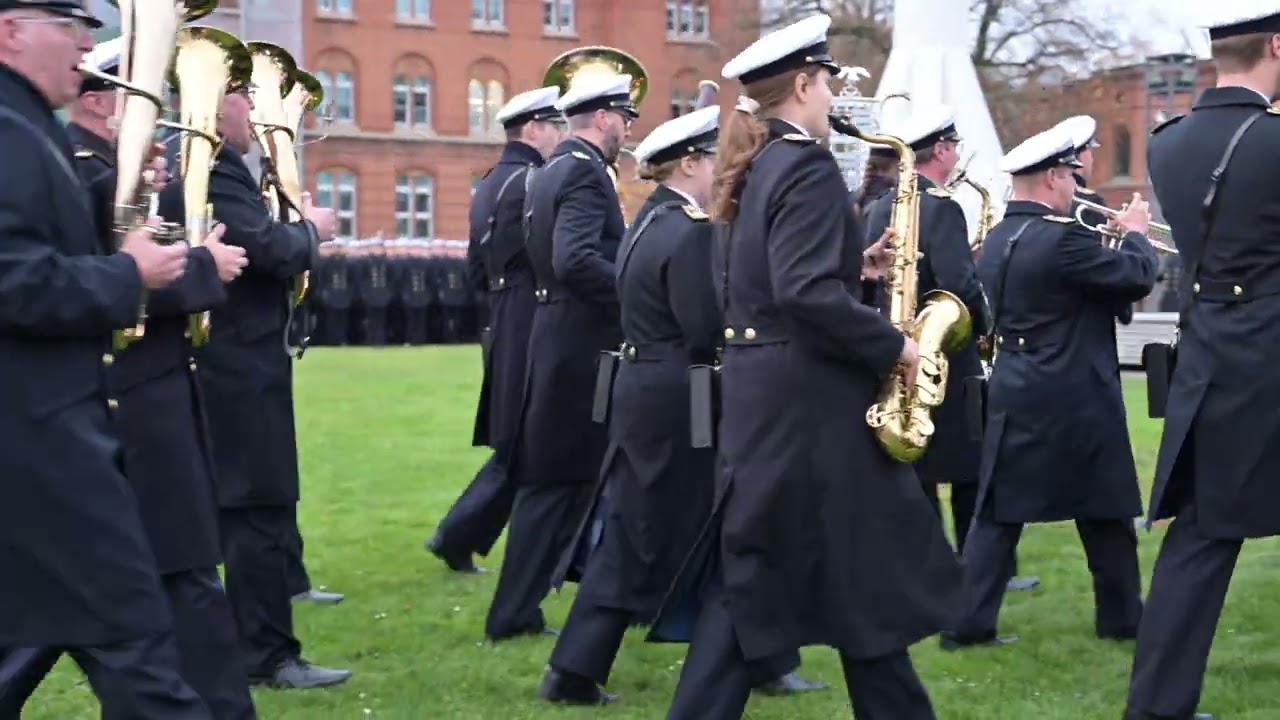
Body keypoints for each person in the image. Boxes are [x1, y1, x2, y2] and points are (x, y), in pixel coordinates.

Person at [663, 14, 965, 719]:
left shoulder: (760, 163)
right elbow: (801, 292)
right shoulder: (805, 165)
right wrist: (895, 346)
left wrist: (854, 266)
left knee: (780, 574)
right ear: (803, 84)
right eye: (826, 83)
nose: (832, 97)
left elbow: (764, 281)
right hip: (808, 405)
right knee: (823, 574)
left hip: (767, 394)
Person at [536, 105, 823, 705]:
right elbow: (706, 326)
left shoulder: (652, 219)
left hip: (647, 388)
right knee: (725, 529)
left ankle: (578, 667)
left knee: (641, 532)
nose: (724, 169)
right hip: (684, 397)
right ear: (690, 163)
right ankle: (761, 661)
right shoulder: (690, 230)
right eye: (715, 159)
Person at [0, 2, 210, 716]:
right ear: (11, 31)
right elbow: (14, 281)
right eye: (71, 27)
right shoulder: (9, 129)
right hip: (37, 437)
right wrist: (130, 275)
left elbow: (38, 233)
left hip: (41, 433)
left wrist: (115, 193)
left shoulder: (24, 123)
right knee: (133, 638)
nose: (85, 47)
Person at [942, 127, 1156, 651]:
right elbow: (1135, 278)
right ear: (1056, 176)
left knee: (998, 513)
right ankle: (1122, 618)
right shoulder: (1064, 238)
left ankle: (968, 624)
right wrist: (1133, 234)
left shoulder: (998, 237)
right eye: (1071, 177)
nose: (1075, 187)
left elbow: (1082, 294)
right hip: (1075, 391)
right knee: (1106, 509)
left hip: (1017, 383)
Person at [1125, 10, 1280, 720]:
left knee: (1200, 536)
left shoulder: (1168, 142)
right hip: (1267, 355)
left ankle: (1157, 706)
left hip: (1213, 357)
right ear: (1275, 45)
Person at [171, 81, 351, 689]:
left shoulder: (213, 164)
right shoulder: (213, 165)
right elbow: (268, 249)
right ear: (215, 101)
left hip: (238, 359)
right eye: (242, 95)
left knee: (256, 508)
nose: (252, 110)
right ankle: (267, 655)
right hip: (237, 364)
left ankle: (259, 646)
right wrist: (312, 230)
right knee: (258, 510)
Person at [483, 72, 632, 641]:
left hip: (559, 336)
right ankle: (515, 613)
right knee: (555, 483)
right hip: (579, 348)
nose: (626, 130)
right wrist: (638, 284)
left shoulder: (553, 168)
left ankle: (522, 610)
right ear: (603, 118)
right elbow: (574, 259)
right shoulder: (584, 172)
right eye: (623, 119)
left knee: (561, 483)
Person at [428, 86, 564, 574]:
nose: (560, 136)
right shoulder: (533, 181)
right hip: (530, 314)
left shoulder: (489, 182)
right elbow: (550, 254)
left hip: (502, 314)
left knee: (521, 441)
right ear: (533, 129)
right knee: (529, 440)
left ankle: (459, 535)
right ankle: (459, 534)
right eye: (555, 127)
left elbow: (474, 265)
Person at [863, 103, 986, 559]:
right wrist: (986, 325)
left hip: (896, 351)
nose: (956, 155)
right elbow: (959, 288)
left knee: (917, 470)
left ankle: (928, 562)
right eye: (954, 146)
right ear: (942, 150)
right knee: (971, 471)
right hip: (945, 360)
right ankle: (975, 568)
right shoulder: (942, 207)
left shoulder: (878, 206)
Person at [1051, 113, 1135, 327]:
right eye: (1090, 151)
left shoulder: (1046, 198)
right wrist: (1133, 237)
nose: (1093, 159)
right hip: (1082, 321)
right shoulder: (1090, 204)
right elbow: (1102, 270)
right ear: (1079, 157)